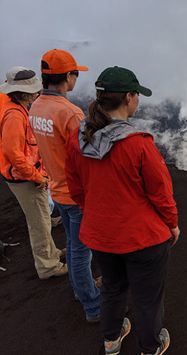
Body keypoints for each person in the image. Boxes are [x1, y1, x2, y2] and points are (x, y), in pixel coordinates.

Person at [65, 66, 179, 355]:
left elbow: (75, 187)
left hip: (100, 235)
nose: (138, 101)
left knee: (113, 288)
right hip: (143, 239)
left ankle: (111, 340)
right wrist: (172, 225)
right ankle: (151, 346)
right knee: (148, 297)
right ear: (129, 97)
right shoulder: (139, 145)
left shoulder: (78, 139)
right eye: (137, 95)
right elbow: (161, 194)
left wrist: (94, 214)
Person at [28, 49, 101, 322]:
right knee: (82, 251)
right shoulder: (70, 113)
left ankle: (79, 289)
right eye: (75, 74)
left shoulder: (36, 106)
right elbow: (87, 156)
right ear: (68, 76)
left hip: (57, 188)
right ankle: (93, 306)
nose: (76, 79)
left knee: (72, 244)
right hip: (76, 192)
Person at [0, 66, 66, 279]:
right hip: (24, 177)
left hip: (23, 174)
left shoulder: (16, 108)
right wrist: (37, 177)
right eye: (34, 91)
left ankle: (51, 253)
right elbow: (14, 154)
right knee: (39, 222)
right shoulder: (14, 116)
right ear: (23, 93)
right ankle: (48, 266)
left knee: (42, 217)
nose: (38, 93)